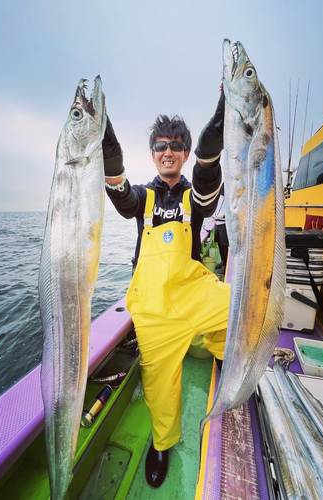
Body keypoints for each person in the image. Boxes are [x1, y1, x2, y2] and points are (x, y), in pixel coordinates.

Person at [102, 90, 230, 488]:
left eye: (177, 145)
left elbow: (209, 188)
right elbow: (121, 195)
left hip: (193, 293)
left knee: (243, 309)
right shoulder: (145, 196)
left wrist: (219, 128)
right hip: (153, 307)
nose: (168, 151)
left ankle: (227, 356)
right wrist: (105, 137)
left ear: (187, 153)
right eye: (161, 146)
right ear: (153, 154)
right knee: (159, 387)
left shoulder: (196, 196)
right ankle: (162, 443)